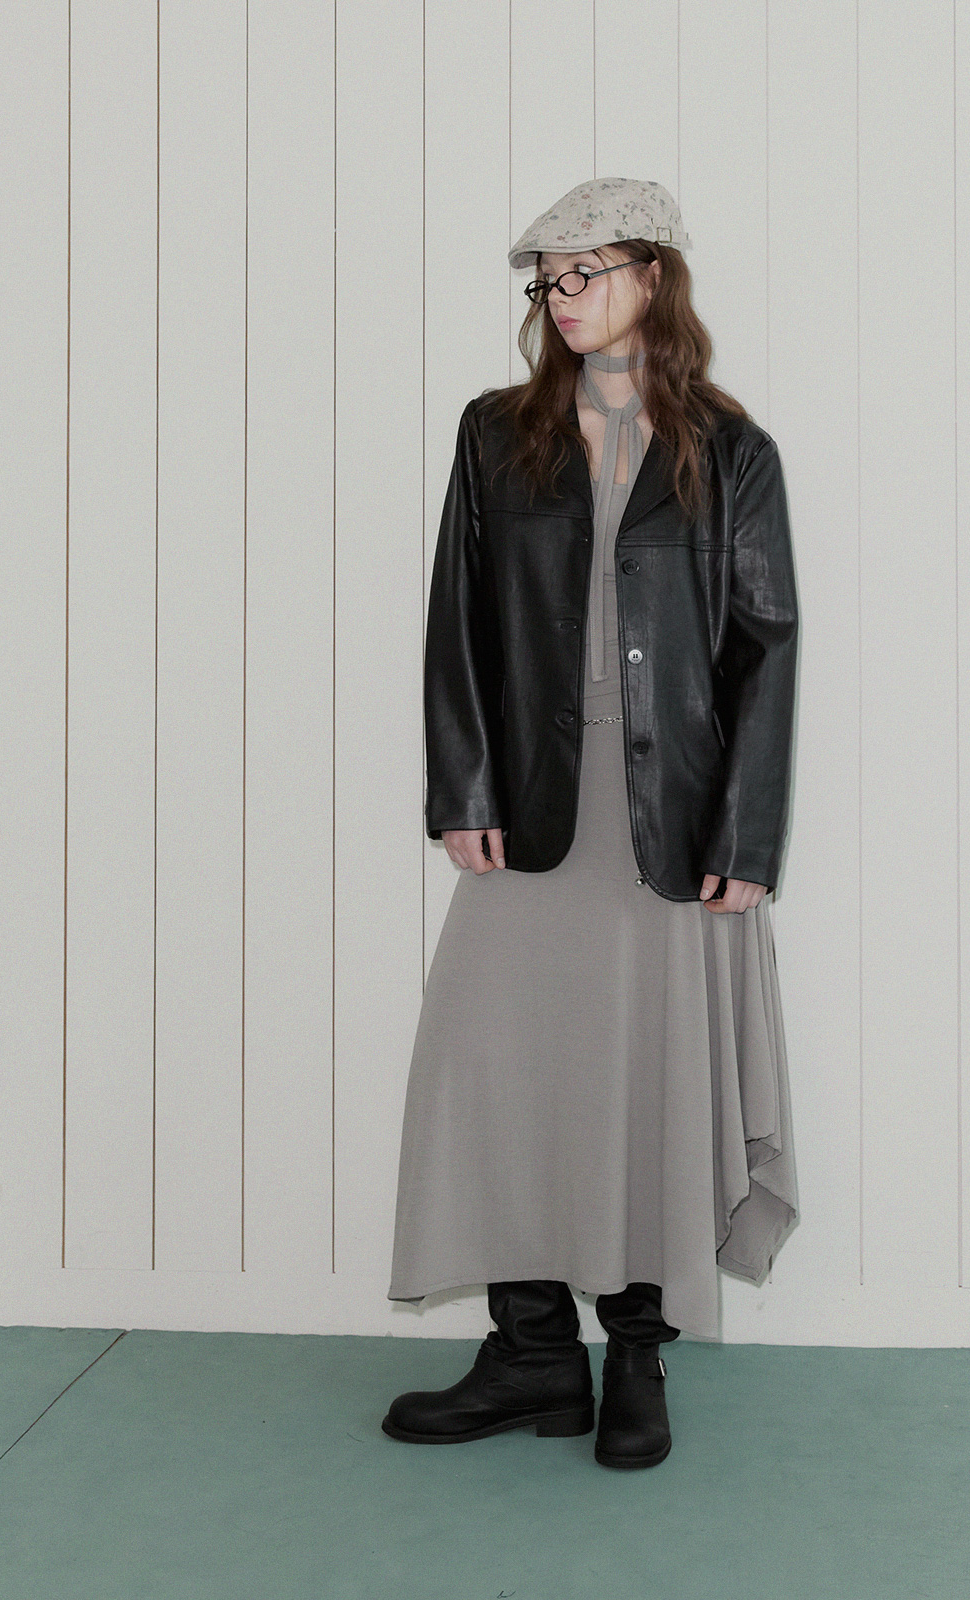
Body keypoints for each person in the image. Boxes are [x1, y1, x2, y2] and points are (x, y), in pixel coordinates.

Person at [382, 177, 800, 1470]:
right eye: (547, 280)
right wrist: (464, 790)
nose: (561, 298)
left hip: (672, 822)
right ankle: (531, 1354)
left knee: (647, 1085)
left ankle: (634, 1356)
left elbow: (766, 649)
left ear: (653, 277)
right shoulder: (495, 435)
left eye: (586, 272)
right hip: (531, 813)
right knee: (496, 1075)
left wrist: (747, 837)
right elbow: (458, 617)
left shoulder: (730, 449)